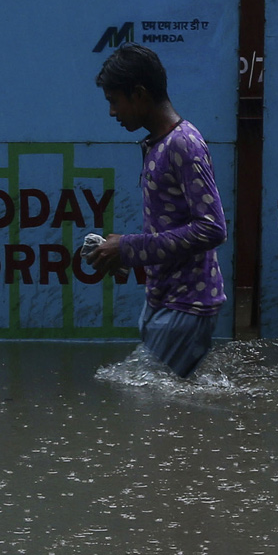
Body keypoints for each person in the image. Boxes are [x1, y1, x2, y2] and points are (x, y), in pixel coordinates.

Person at [89, 44, 227, 378]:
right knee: (162, 410)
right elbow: (169, 226)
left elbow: (212, 228)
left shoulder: (184, 144)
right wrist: (123, 256)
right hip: (164, 300)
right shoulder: (160, 144)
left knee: (144, 406)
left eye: (114, 101)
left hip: (187, 305)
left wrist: (130, 248)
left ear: (138, 94)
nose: (112, 113)